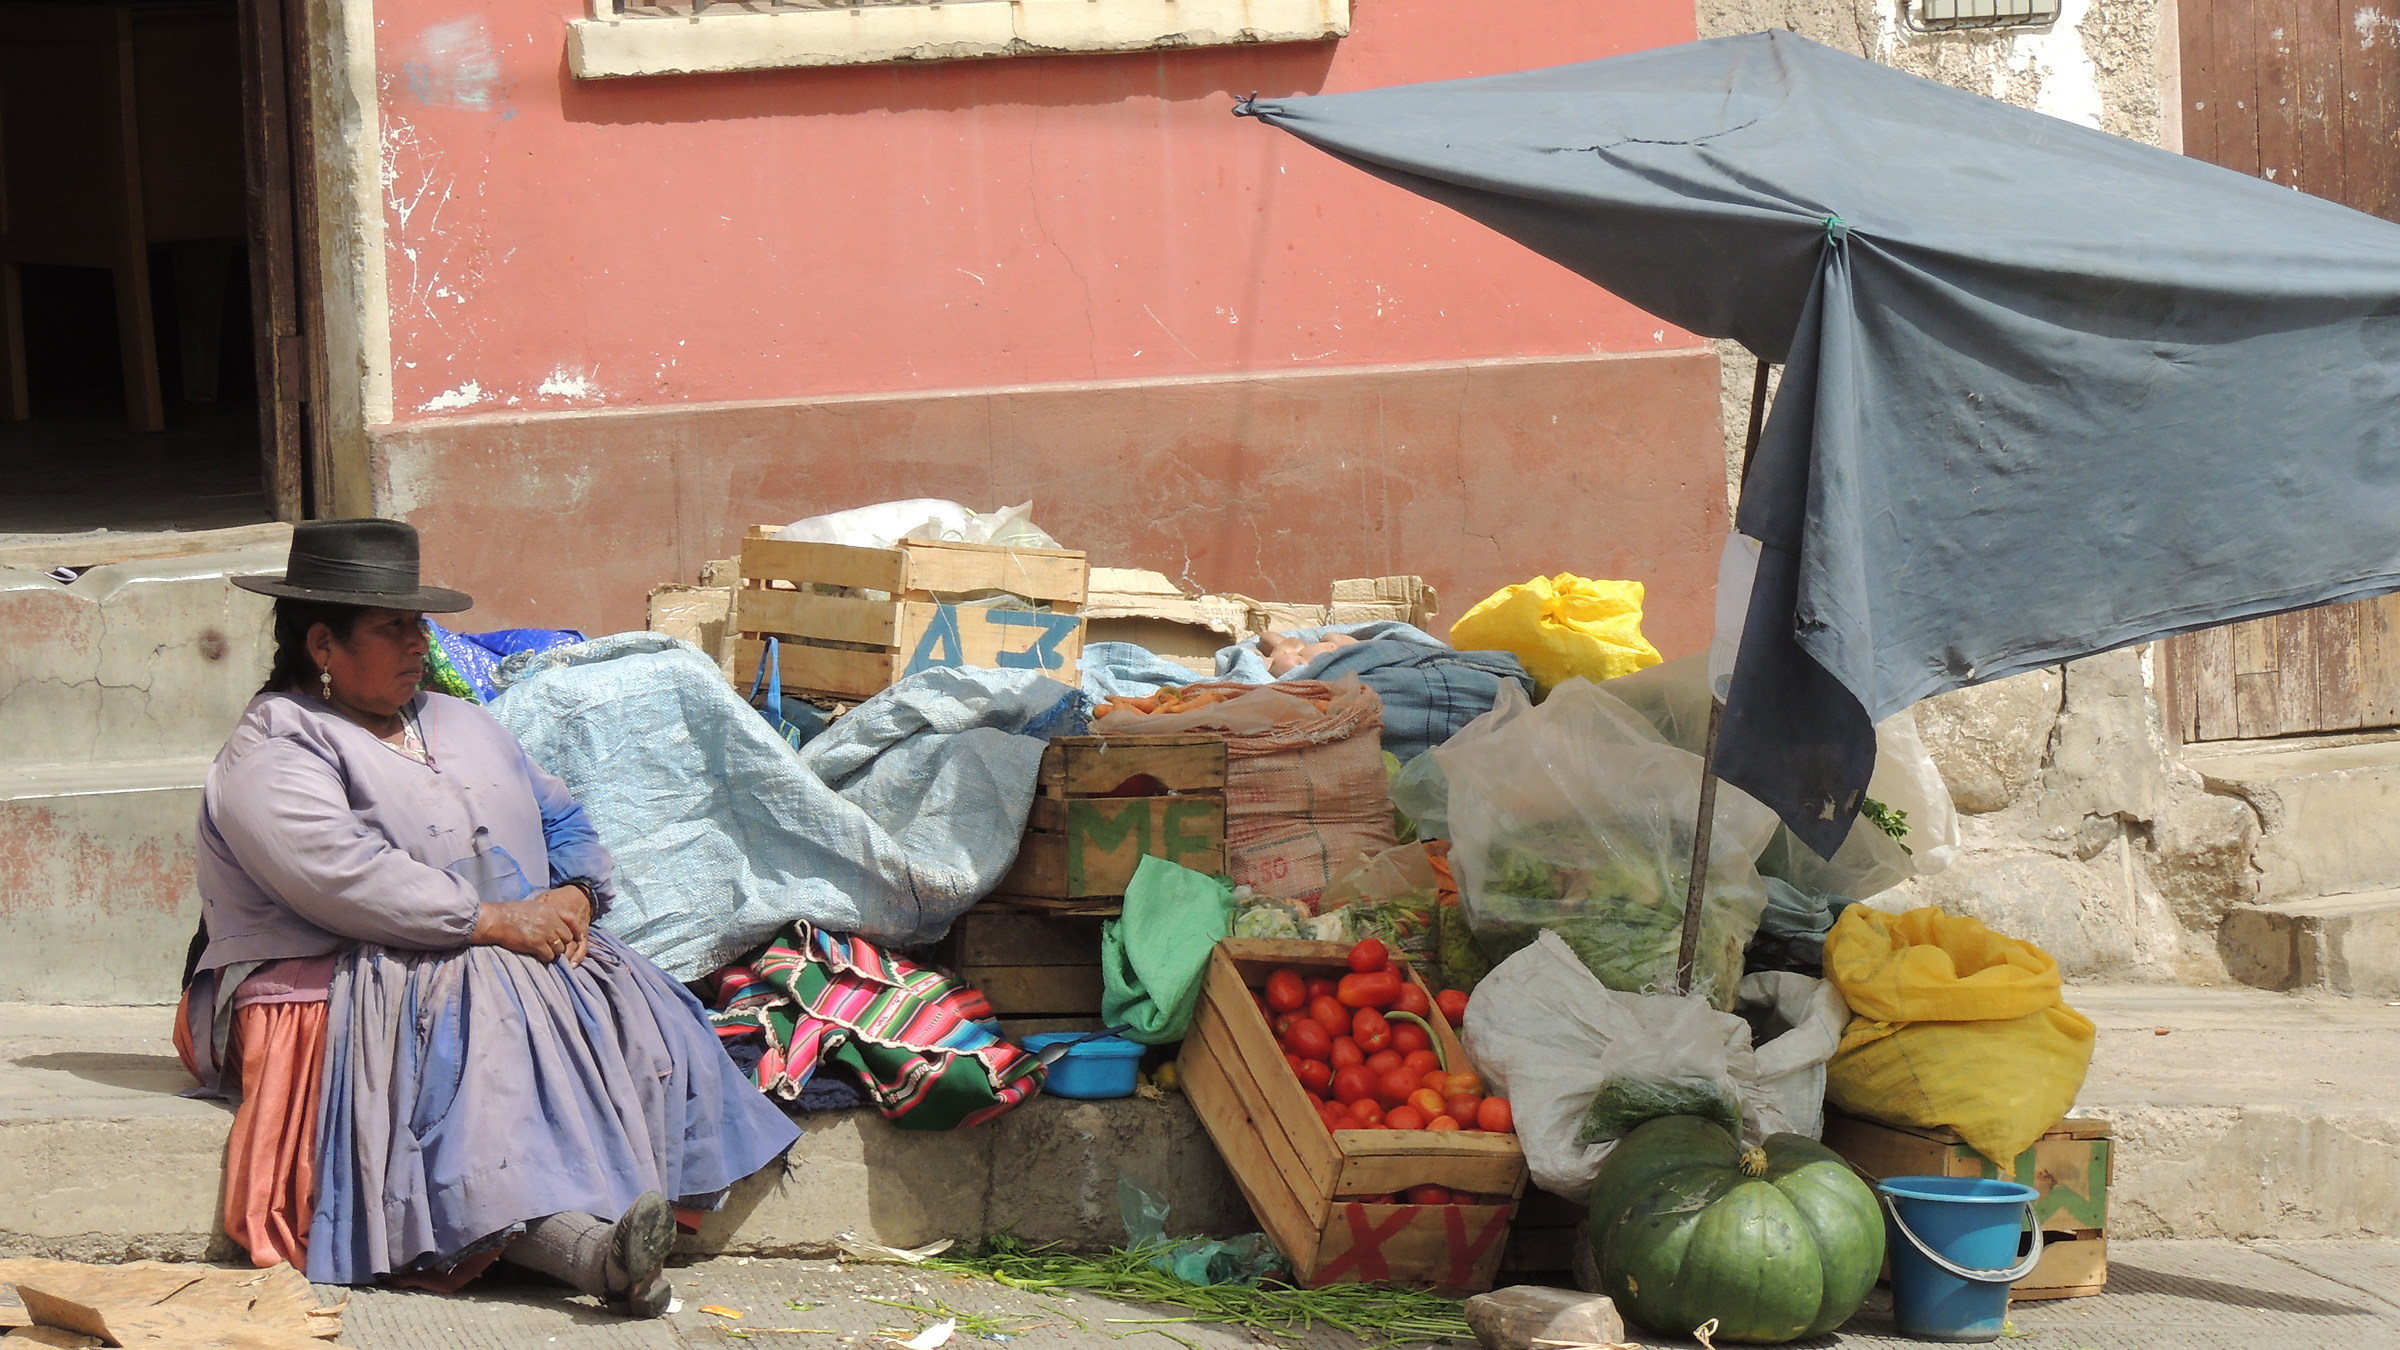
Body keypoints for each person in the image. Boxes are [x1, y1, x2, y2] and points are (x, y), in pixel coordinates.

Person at [174, 518, 799, 1315]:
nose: (418, 645)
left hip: (491, 942)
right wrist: (495, 923)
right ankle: (584, 1251)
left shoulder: (458, 719)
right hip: (333, 973)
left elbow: (564, 817)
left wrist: (574, 893)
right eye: (393, 628)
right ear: (323, 644)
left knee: (620, 987)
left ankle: (625, 1209)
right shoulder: (274, 751)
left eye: (419, 625)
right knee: (482, 1006)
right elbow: (344, 880)